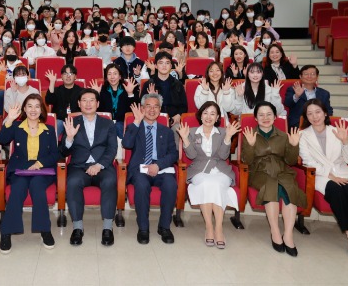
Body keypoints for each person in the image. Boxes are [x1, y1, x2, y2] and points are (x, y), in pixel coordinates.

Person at [299, 99, 348, 261]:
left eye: (318, 112)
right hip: (321, 176)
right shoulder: (303, 135)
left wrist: (345, 141)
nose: (315, 116)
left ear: (325, 113)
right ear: (306, 117)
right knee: (335, 191)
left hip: (344, 171)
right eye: (310, 114)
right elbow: (308, 162)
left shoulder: (337, 131)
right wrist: (332, 176)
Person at [241, 101, 306, 257]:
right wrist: (250, 145)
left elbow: (290, 161)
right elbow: (247, 161)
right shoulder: (250, 134)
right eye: (261, 115)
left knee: (290, 189)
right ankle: (275, 231)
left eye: (269, 114)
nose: (265, 118)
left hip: (282, 170)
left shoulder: (283, 136)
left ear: (275, 116)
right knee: (272, 187)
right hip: (259, 172)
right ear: (255, 118)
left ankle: (288, 234)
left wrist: (294, 145)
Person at [0, 94, 60, 253]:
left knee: (38, 188)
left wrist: (39, 164)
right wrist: (9, 120)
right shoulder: (17, 126)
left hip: (42, 170)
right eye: (30, 106)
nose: (33, 109)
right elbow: (2, 139)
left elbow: (55, 154)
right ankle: (6, 232)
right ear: (24, 109)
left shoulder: (49, 129)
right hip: (20, 169)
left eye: (37, 106)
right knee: (17, 190)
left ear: (42, 110)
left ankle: (44, 230)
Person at [177, 101, 240, 249]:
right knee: (206, 183)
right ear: (200, 115)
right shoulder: (191, 132)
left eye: (213, 113)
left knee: (217, 184)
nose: (208, 116)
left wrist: (228, 137)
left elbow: (224, 155)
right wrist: (185, 139)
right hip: (199, 169)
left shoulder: (224, 132)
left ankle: (218, 228)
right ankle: (209, 227)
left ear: (218, 117)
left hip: (220, 169)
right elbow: (191, 155)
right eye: (205, 113)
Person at [60, 89, 118, 246]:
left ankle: (107, 228)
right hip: (79, 166)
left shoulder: (107, 123)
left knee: (110, 180)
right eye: (84, 100)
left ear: (97, 103)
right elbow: (63, 151)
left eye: (91, 100)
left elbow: (112, 149)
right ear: (78, 103)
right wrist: (69, 138)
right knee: (72, 182)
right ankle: (77, 228)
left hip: (103, 166)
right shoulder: (72, 122)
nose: (88, 103)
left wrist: (99, 165)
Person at [122, 94, 178, 244]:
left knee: (171, 184)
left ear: (160, 110)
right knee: (141, 184)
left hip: (161, 168)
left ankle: (164, 227)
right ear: (142, 108)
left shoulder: (166, 131)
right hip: (140, 169)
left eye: (156, 106)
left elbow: (174, 154)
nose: (152, 109)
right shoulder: (135, 126)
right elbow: (126, 143)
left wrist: (158, 165)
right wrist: (136, 121)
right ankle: (143, 228)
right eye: (148, 106)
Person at [89, 64, 139, 138]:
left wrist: (130, 94)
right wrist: (96, 95)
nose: (112, 77)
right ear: (106, 77)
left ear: (120, 76)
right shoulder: (102, 90)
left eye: (115, 74)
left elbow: (134, 111)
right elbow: (97, 111)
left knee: (118, 126)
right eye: (109, 74)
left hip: (123, 123)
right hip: (105, 123)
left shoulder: (128, 88)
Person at [140, 52, 187, 130]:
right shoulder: (148, 84)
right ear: (156, 66)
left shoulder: (178, 84)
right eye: (161, 63)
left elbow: (184, 106)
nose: (164, 66)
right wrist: (151, 98)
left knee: (178, 130)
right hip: (153, 119)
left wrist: (178, 115)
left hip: (173, 121)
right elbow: (142, 106)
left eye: (167, 63)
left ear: (171, 66)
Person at [45, 64, 83, 135]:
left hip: (76, 120)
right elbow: (48, 101)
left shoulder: (81, 91)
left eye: (71, 73)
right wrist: (52, 82)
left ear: (75, 77)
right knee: (56, 125)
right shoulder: (56, 90)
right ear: (61, 76)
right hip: (60, 120)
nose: (68, 76)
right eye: (65, 73)